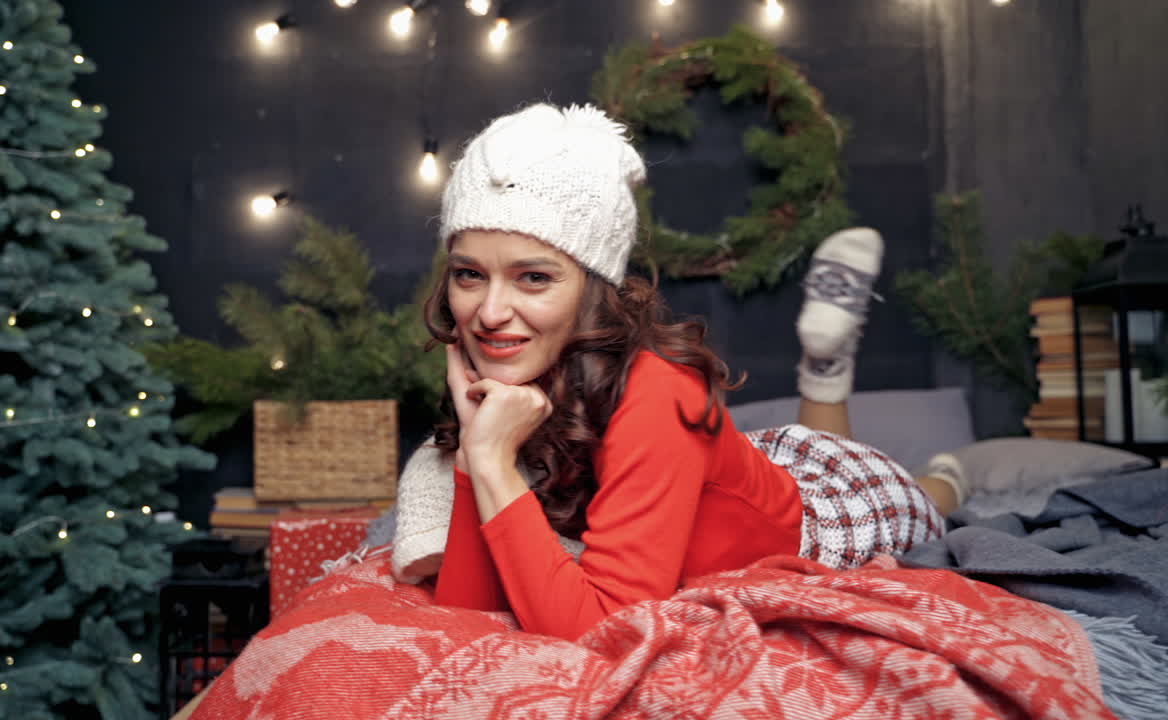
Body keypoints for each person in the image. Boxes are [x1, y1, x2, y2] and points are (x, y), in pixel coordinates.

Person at [408, 102, 957, 641]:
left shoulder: (658, 392)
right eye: (469, 274)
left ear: (594, 290)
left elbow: (603, 629)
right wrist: (475, 451)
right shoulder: (518, 383)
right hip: (747, 473)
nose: (490, 313)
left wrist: (492, 462)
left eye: (533, 278)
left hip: (844, 510)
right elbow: (468, 610)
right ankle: (827, 374)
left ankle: (943, 466)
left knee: (933, 497)